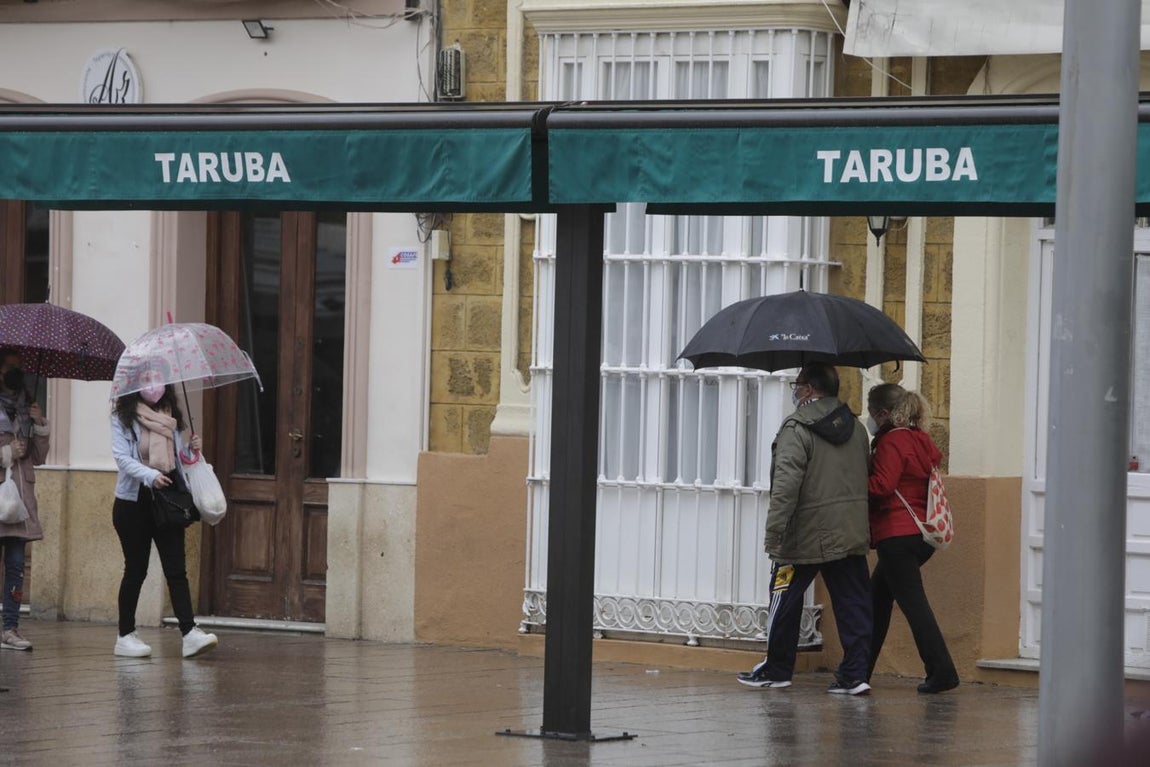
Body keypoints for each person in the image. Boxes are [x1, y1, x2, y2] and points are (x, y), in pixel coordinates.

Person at [737, 362, 874, 695]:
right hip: (849, 530)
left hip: (805, 534)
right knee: (853, 602)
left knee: (783, 597)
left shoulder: (796, 428)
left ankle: (777, 668)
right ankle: (855, 675)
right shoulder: (856, 428)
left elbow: (786, 486)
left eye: (797, 385)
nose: (795, 391)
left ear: (810, 389)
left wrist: (775, 534)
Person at [110, 381, 218, 659]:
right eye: (146, 378)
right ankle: (125, 635)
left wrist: (190, 451)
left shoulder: (172, 417)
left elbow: (176, 461)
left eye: (157, 377)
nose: (153, 384)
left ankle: (189, 632)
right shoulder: (122, 416)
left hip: (168, 500)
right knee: (136, 569)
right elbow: (122, 458)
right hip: (134, 503)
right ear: (134, 385)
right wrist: (149, 475)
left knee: (176, 569)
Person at [865, 383, 958, 694]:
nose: (868, 417)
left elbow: (882, 486)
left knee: (914, 606)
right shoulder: (920, 439)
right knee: (876, 601)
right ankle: (858, 671)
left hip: (896, 534)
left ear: (882, 413)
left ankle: (942, 672)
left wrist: (852, 482)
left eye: (870, 410)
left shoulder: (892, 441)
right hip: (919, 535)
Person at [0, 348, 49, 652]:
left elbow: (40, 457)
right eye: (11, 368)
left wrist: (39, 422)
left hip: (19, 501)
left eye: (20, 368)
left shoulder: (25, 407)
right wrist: (5, 455)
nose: (16, 373)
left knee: (17, 565)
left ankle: (10, 628)